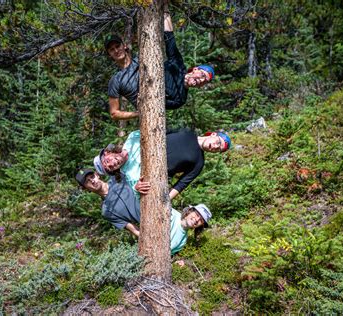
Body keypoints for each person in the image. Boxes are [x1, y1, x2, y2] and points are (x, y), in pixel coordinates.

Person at [105, 8, 215, 121]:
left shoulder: (179, 99)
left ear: (124, 46)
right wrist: (165, 9)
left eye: (117, 46)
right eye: (111, 49)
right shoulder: (116, 80)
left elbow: (157, 107)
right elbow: (114, 113)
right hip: (144, 120)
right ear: (195, 69)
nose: (116, 50)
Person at [75, 168, 211, 254]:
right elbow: (133, 229)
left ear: (97, 174)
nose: (92, 181)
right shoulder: (106, 211)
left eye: (92, 176)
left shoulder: (118, 176)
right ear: (86, 189)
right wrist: (149, 242)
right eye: (87, 182)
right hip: (151, 228)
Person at [93, 129, 231, 199]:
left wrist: (166, 200)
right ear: (212, 134)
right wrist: (136, 188)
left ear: (107, 153)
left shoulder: (199, 163)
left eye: (218, 148)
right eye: (217, 143)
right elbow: (135, 187)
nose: (214, 146)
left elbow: (182, 184)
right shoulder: (131, 173)